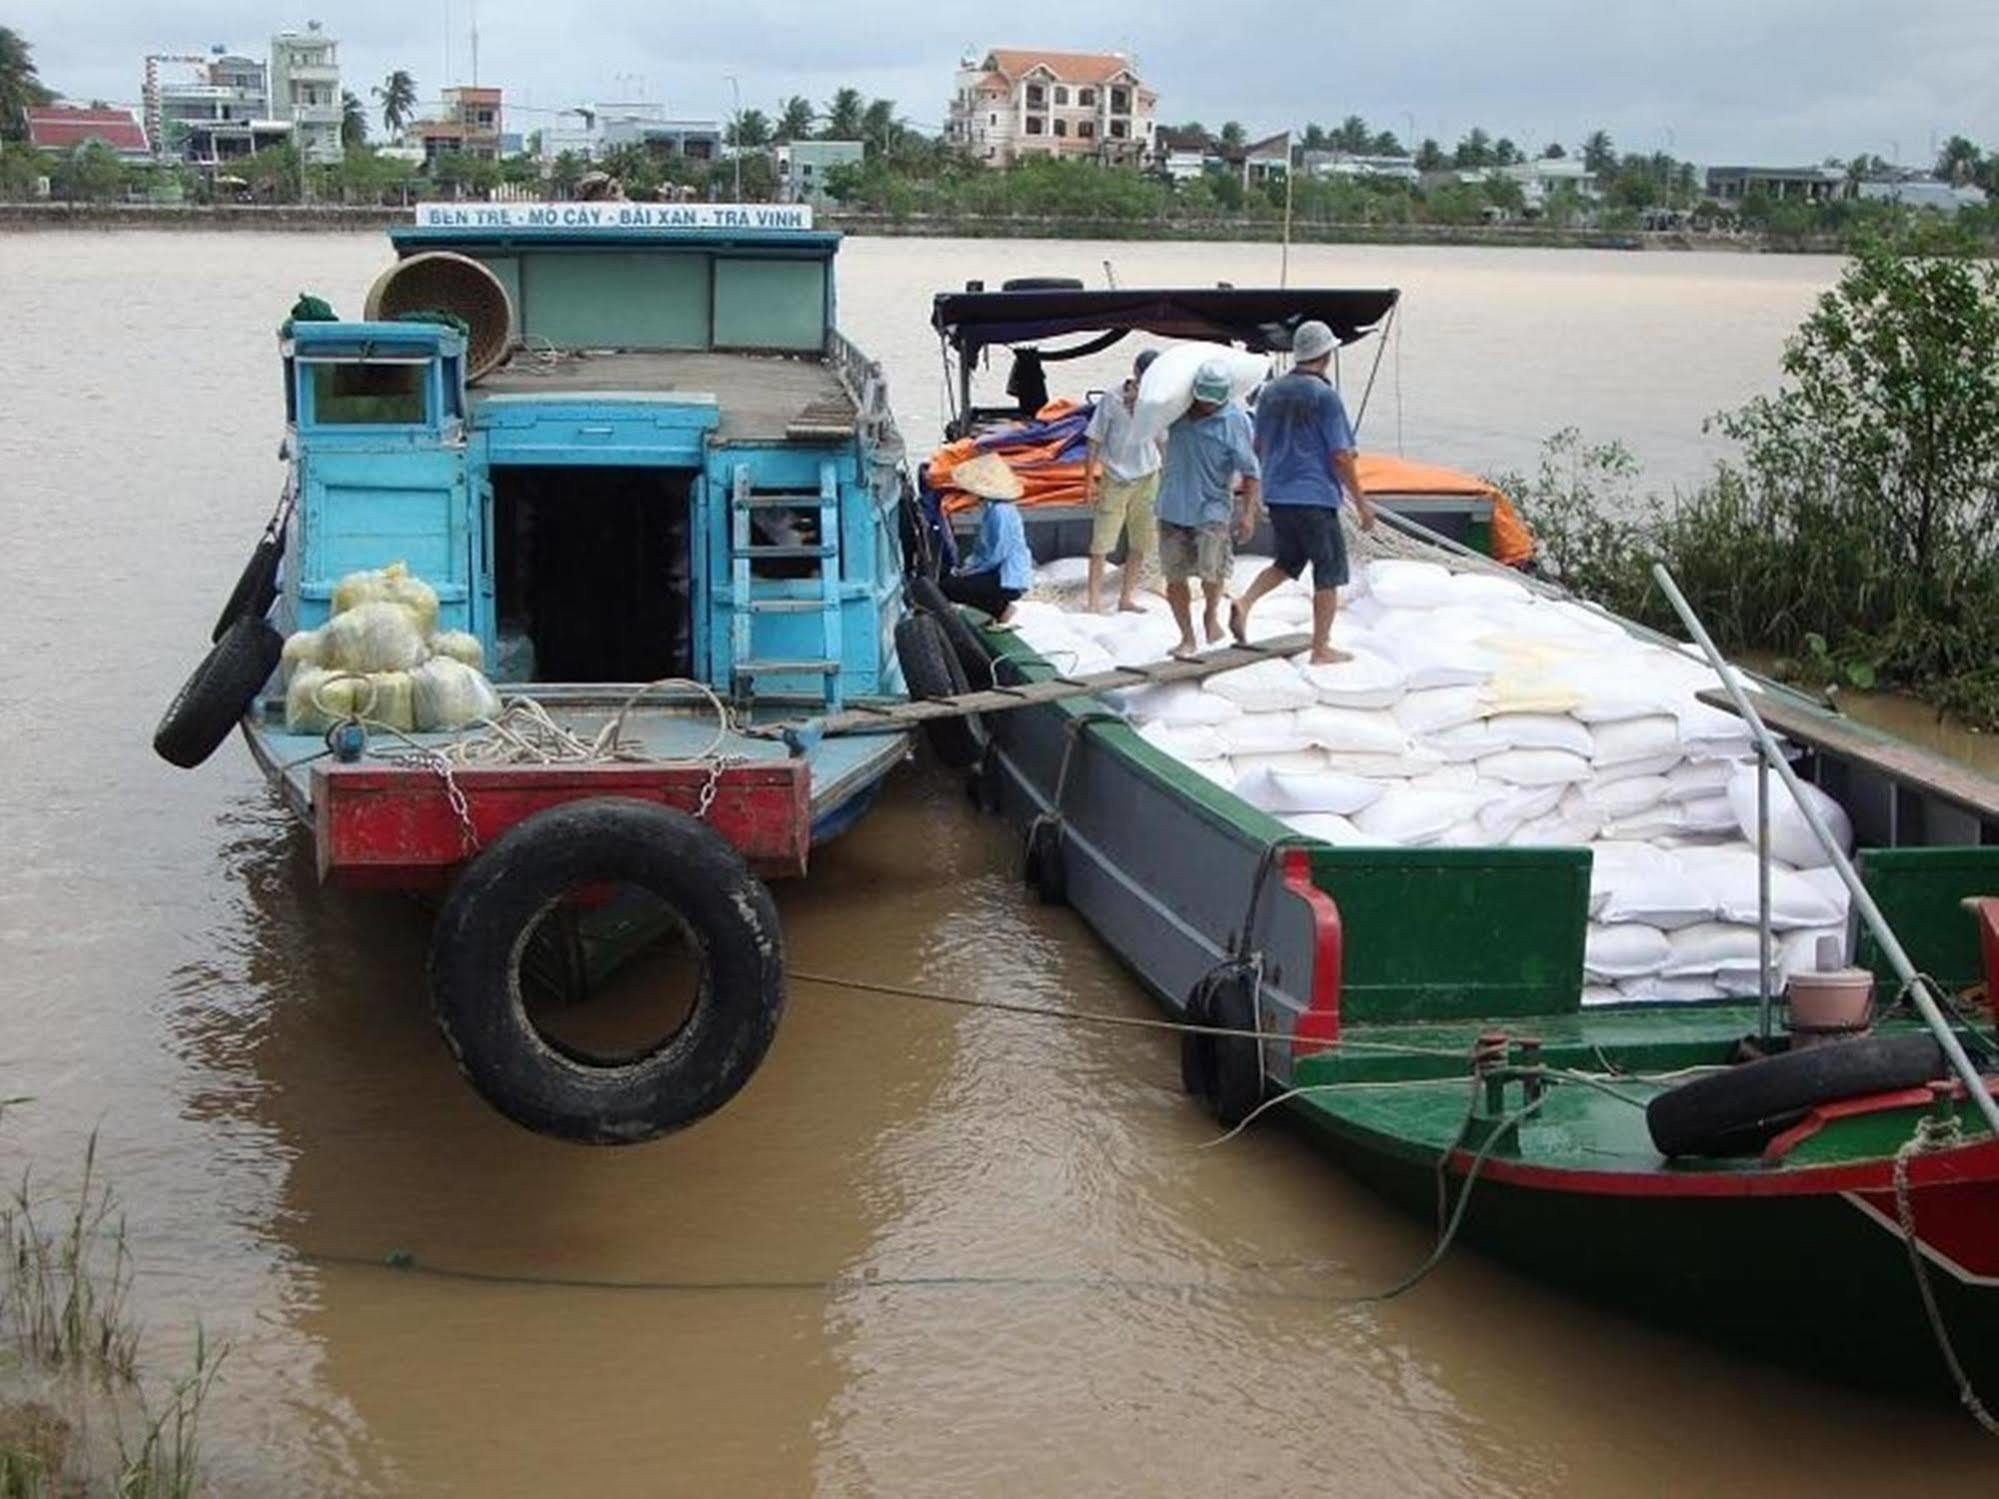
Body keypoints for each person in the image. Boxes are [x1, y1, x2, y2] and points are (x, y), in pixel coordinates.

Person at [1232, 318, 1376, 665]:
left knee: (1289, 561)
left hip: (1279, 494)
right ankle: (1320, 647)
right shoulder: (1324, 396)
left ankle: (1245, 602)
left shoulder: (1270, 392)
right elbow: (1340, 455)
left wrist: (1252, 503)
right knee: (1328, 572)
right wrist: (1361, 504)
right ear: (1325, 355)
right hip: (1314, 495)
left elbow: (1258, 444)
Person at [1156, 359, 1260, 659]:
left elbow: (1251, 471)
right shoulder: (1175, 411)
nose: (1207, 406)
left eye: (1213, 401)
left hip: (1212, 509)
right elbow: (1145, 416)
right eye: (1202, 399)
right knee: (1174, 576)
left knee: (1211, 573)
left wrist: (1248, 514)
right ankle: (1187, 637)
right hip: (1172, 506)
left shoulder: (1234, 421)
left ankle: (1210, 614)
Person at [1082, 348, 1164, 615]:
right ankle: (1093, 601)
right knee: (1101, 543)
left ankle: (1126, 597)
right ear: (1136, 374)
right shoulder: (1112, 399)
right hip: (1116, 476)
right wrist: (1088, 481)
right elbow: (1094, 438)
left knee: (1141, 542)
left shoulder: (1158, 400)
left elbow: (1162, 440)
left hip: (1147, 475)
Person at [940, 451, 1033, 624]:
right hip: (1001, 573)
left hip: (1007, 577)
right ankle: (998, 610)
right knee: (955, 581)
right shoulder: (995, 508)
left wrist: (971, 570)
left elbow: (997, 554)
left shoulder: (1000, 512)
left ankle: (1001, 610)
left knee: (949, 587)